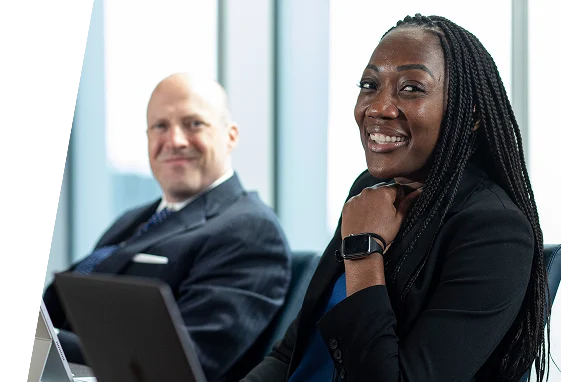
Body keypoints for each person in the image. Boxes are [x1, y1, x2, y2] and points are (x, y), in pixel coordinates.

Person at [241, 14, 549, 382]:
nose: (378, 107)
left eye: (411, 88)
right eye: (370, 85)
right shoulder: (367, 191)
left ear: (472, 115)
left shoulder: (494, 231)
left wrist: (362, 252)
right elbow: (294, 351)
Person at [44, 73, 292, 382]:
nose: (174, 141)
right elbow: (61, 301)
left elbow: (183, 361)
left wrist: (46, 341)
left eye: (194, 124)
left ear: (230, 135)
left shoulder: (251, 232)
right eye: (160, 126)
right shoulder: (132, 220)